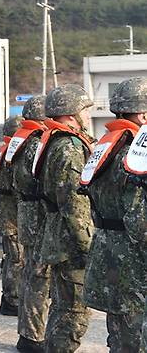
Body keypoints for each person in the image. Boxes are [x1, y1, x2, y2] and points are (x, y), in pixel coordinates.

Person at [80, 77, 147, 352]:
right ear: (143, 114)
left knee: (119, 337)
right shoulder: (137, 155)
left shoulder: (105, 148)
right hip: (134, 263)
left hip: (107, 254)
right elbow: (139, 221)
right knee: (136, 340)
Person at [32, 84, 95, 352]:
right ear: (71, 115)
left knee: (61, 308)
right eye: (85, 111)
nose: (89, 117)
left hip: (58, 237)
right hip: (70, 243)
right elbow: (74, 203)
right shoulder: (69, 148)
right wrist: (87, 246)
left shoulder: (55, 141)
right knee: (73, 315)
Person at [5, 95, 50, 352]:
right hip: (37, 216)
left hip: (26, 212)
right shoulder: (35, 143)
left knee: (31, 273)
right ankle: (32, 337)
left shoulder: (21, 141)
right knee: (38, 277)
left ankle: (28, 334)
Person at [0, 115, 24, 317]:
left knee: (11, 258)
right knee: (17, 259)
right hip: (12, 218)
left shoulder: (4, 153)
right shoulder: (13, 156)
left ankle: (9, 297)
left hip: (5, 216)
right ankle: (12, 300)